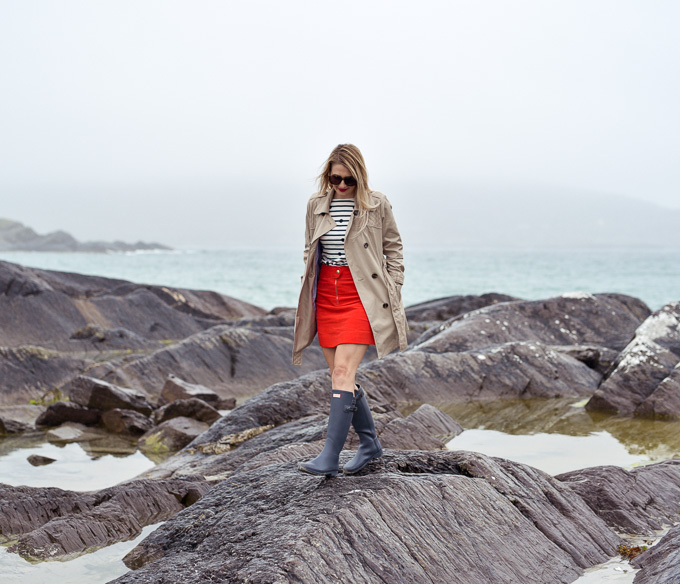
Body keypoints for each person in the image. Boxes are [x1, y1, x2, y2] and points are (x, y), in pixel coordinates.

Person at [293, 143, 408, 477]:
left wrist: (393, 287)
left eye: (348, 180)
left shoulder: (377, 204)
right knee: (341, 376)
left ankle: (330, 456)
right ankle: (370, 445)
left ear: (360, 177)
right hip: (327, 295)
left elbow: (394, 249)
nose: (341, 186)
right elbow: (308, 248)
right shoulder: (316, 204)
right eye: (335, 179)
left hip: (363, 295)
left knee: (343, 373)